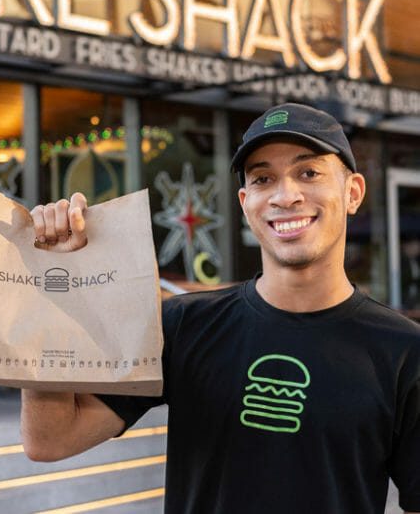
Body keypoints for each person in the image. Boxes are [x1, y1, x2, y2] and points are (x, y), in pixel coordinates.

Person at [21, 102, 420, 514]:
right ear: (246, 203)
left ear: (352, 192)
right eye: (264, 178)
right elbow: (50, 440)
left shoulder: (403, 350)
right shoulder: (183, 325)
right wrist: (54, 294)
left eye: (308, 172)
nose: (286, 195)